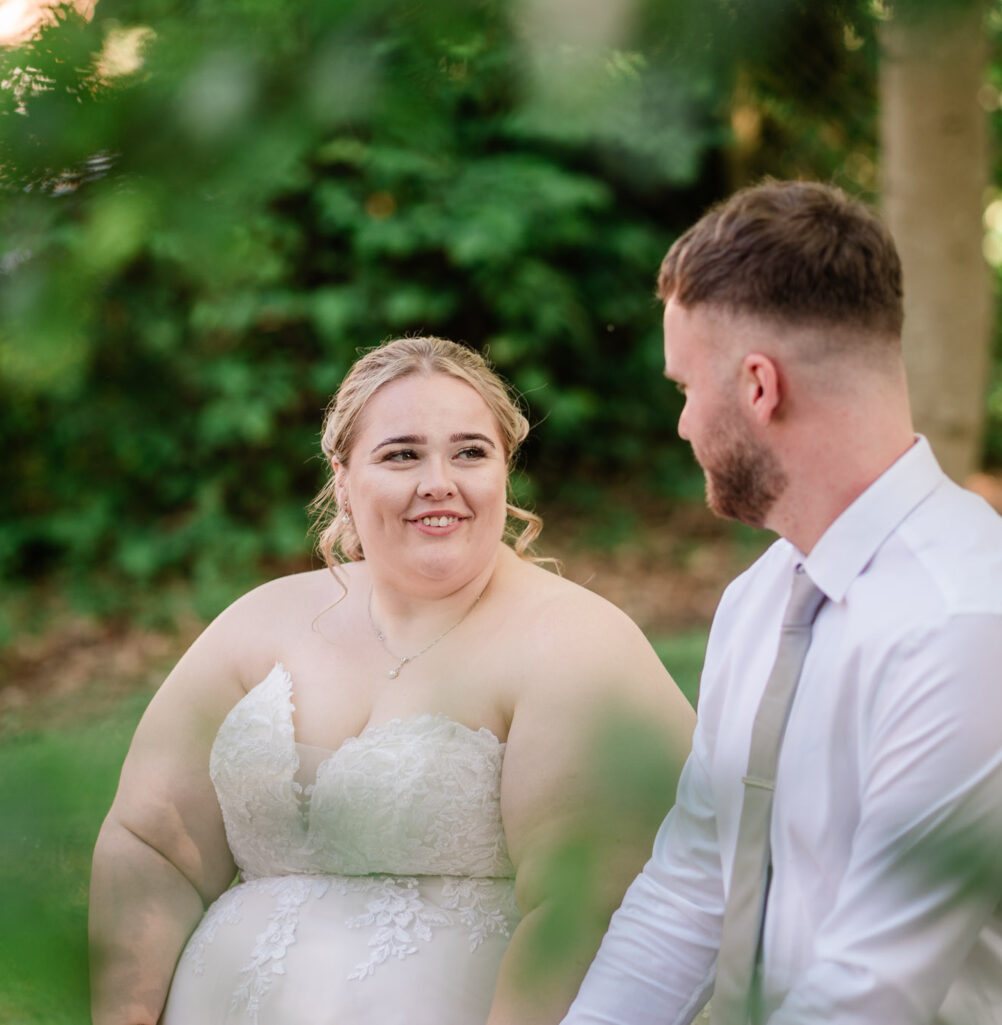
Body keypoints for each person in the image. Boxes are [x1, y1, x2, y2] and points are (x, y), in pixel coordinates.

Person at [561, 180, 1002, 1025]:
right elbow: (688, 889)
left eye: (685, 389)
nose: (683, 424)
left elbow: (869, 994)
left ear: (759, 387)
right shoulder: (760, 600)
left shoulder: (969, 629)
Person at [89, 336, 695, 1025]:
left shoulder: (573, 642)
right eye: (402, 453)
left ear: (505, 471)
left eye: (470, 451)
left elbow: (586, 905)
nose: (439, 479)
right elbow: (152, 845)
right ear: (342, 476)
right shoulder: (257, 622)